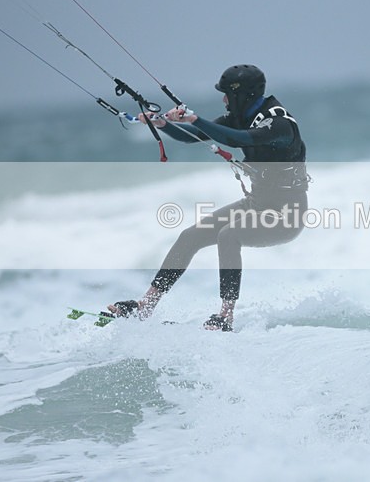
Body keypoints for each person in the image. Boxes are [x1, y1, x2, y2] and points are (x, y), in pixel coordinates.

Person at [106, 65, 309, 331]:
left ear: (242, 94)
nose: (224, 100)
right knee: (191, 236)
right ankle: (147, 305)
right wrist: (163, 124)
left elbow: (237, 140)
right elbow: (198, 136)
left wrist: (194, 119)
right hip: (257, 204)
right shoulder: (240, 115)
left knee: (229, 234)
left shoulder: (279, 123)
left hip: (286, 214)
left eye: (227, 94)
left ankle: (226, 316)